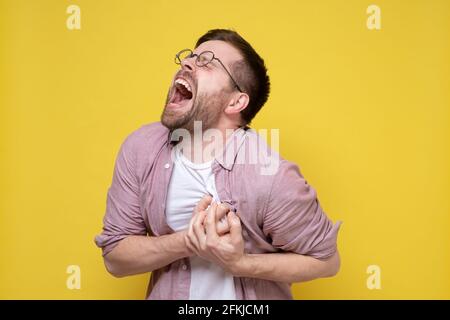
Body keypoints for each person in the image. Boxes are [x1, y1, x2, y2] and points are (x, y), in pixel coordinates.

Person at [95, 29, 342, 299]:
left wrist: (240, 264)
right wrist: (187, 241)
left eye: (207, 62)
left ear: (236, 101)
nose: (187, 63)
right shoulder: (142, 149)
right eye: (190, 57)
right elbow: (115, 259)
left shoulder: (269, 175)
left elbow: (327, 262)